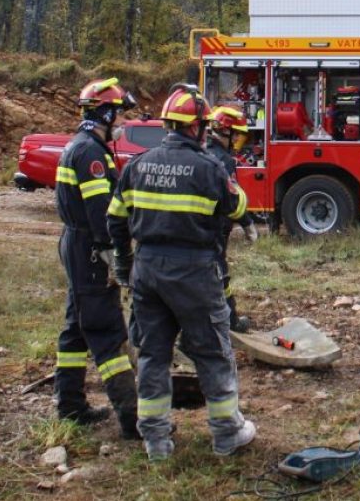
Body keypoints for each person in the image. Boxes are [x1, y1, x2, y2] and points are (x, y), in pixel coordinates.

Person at [107, 84, 255, 462]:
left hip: (148, 270)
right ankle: (226, 435)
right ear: (196, 128)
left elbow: (116, 220)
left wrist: (125, 266)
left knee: (153, 355)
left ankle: (156, 441)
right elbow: (237, 206)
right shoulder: (209, 169)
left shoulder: (137, 166)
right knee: (212, 353)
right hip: (194, 272)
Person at [53, 77, 139, 439]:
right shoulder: (90, 154)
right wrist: (113, 255)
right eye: (118, 115)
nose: (121, 123)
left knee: (76, 330)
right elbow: (100, 211)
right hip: (89, 248)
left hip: (75, 244)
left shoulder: (81, 146)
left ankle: (70, 405)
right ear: (103, 113)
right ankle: (133, 421)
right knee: (106, 331)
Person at [206, 105, 255, 333]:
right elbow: (231, 199)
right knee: (220, 274)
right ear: (226, 132)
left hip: (197, 227)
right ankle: (230, 321)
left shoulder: (201, 152)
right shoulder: (224, 161)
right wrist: (246, 222)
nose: (237, 140)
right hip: (216, 228)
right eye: (236, 135)